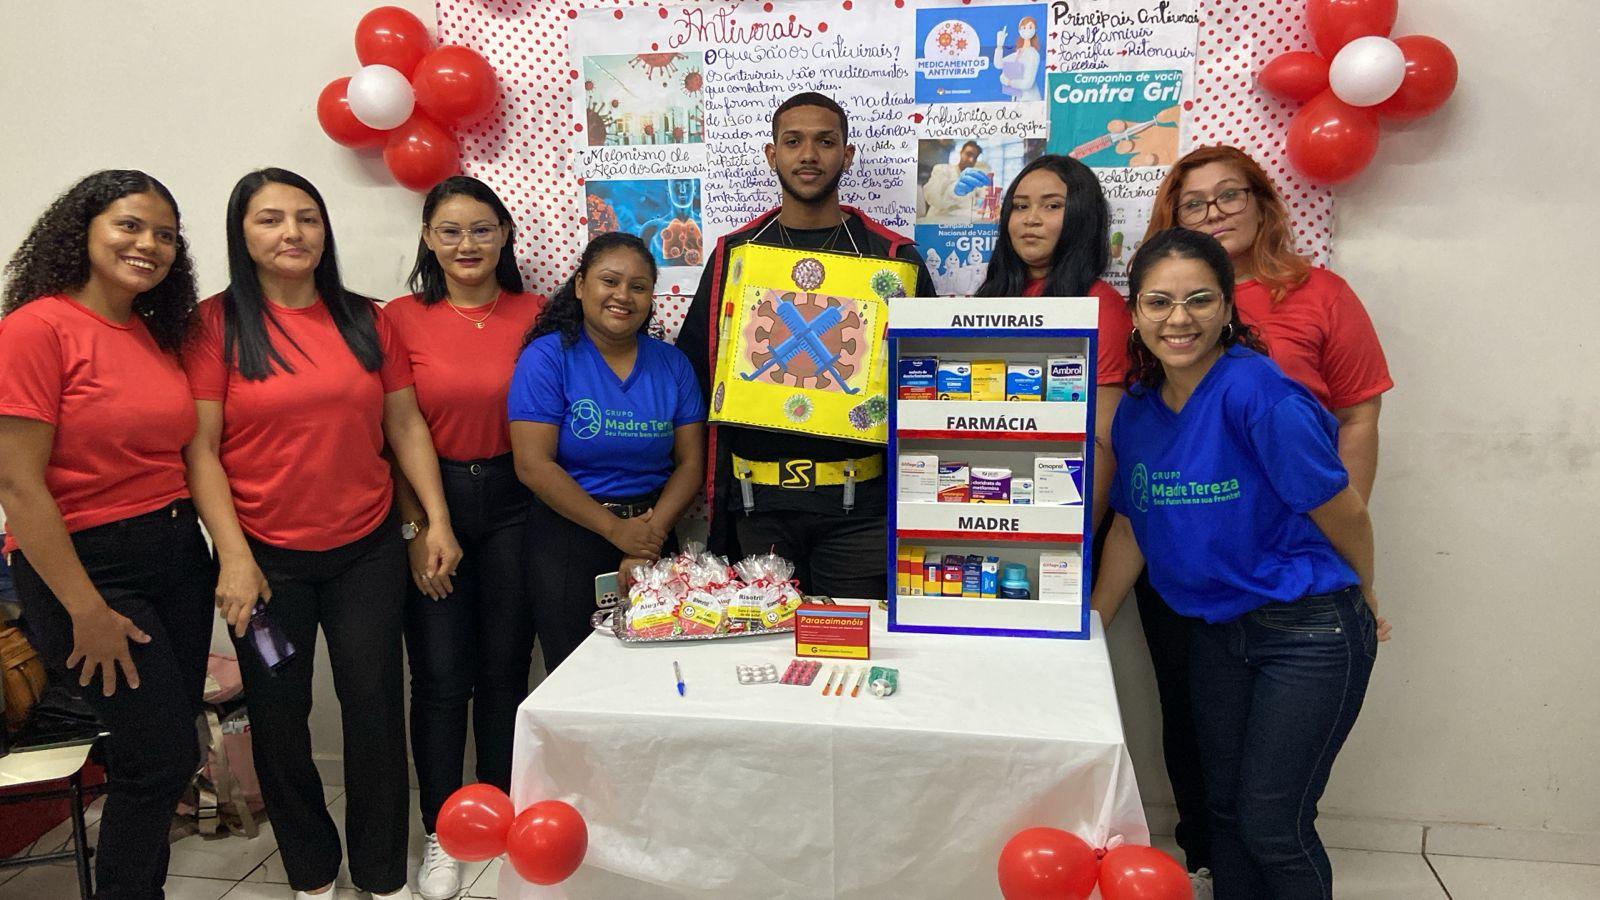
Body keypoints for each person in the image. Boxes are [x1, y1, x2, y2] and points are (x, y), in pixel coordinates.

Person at [1109, 146, 1395, 882]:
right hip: (1216, 636)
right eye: (1160, 302)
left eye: (1200, 299)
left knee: (1274, 823)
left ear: (1228, 307)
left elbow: (1345, 514)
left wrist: (1363, 595)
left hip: (1307, 631)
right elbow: (1135, 525)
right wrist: (1088, 621)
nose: (1180, 319)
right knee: (1225, 815)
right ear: (1135, 313)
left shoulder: (1261, 395)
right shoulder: (1138, 415)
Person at [182, 168, 462, 900]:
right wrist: (234, 560)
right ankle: (312, 875)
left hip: (365, 550)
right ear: (242, 234)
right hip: (266, 563)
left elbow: (404, 424)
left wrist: (434, 518)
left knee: (374, 710)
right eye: (270, 219)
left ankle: (380, 874)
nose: (292, 233)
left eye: (306, 217)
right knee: (280, 717)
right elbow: (200, 450)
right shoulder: (216, 325)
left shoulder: (368, 319)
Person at [0, 170, 210, 900]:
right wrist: (84, 608)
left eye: (164, 234)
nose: (148, 245)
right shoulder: (37, 328)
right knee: (158, 759)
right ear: (81, 230)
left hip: (178, 556)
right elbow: (18, 486)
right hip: (89, 571)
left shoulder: (152, 335)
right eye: (129, 226)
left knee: (156, 759)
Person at [676, 92, 936, 598]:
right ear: (773, 155)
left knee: (852, 661)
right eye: (793, 142)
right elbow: (696, 371)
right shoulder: (736, 255)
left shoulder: (892, 258)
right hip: (756, 507)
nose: (809, 155)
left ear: (848, 154)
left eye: (825, 141)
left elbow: (924, 374)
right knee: (765, 662)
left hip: (861, 507)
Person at [383, 176, 546, 900]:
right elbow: (392, 427)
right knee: (444, 678)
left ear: (505, 237)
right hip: (434, 499)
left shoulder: (539, 314)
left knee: (507, 672)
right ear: (427, 238)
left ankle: (499, 814)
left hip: (517, 501)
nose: (466, 245)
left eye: (482, 229)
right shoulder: (398, 319)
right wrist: (420, 526)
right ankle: (443, 831)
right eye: (449, 231)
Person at [509, 232, 705, 671]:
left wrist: (647, 538)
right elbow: (533, 465)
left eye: (638, 287)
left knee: (657, 672)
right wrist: (615, 531)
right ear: (580, 285)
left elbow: (691, 463)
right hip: (568, 539)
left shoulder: (673, 364)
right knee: (577, 673)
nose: (623, 296)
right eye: (609, 281)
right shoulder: (548, 358)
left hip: (655, 534)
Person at [975, 153, 1133, 532]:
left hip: (1059, 510)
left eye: (1052, 206)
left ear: (1081, 217)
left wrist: (1078, 540)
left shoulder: (1100, 307)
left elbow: (1103, 441)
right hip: (989, 493)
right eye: (1020, 206)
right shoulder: (990, 300)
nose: (1031, 219)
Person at [919, 140, 993, 223]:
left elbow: (983, 197)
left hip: (963, 224)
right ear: (961, 152)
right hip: (939, 223)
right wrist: (954, 190)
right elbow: (932, 196)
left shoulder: (972, 177)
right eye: (969, 154)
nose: (971, 160)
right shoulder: (942, 169)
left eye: (975, 157)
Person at [994, 16, 1043, 102]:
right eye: (1024, 28)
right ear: (1019, 30)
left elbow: (1027, 83)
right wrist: (999, 46)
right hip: (1017, 100)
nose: (1027, 30)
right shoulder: (1018, 53)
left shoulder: (1033, 54)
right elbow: (999, 64)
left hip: (1030, 100)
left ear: (1035, 29)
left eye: (1030, 27)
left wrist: (1009, 82)